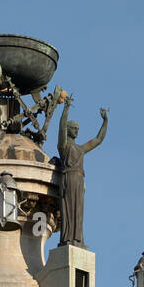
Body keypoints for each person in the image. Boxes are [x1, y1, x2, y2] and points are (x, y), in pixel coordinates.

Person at [57, 97, 108, 247]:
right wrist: (65, 109)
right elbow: (60, 129)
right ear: (68, 129)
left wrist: (105, 122)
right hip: (68, 178)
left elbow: (98, 140)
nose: (77, 130)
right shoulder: (64, 147)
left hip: (79, 180)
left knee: (78, 212)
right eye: (74, 128)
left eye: (78, 128)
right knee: (68, 209)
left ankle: (78, 240)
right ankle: (68, 239)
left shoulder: (81, 149)